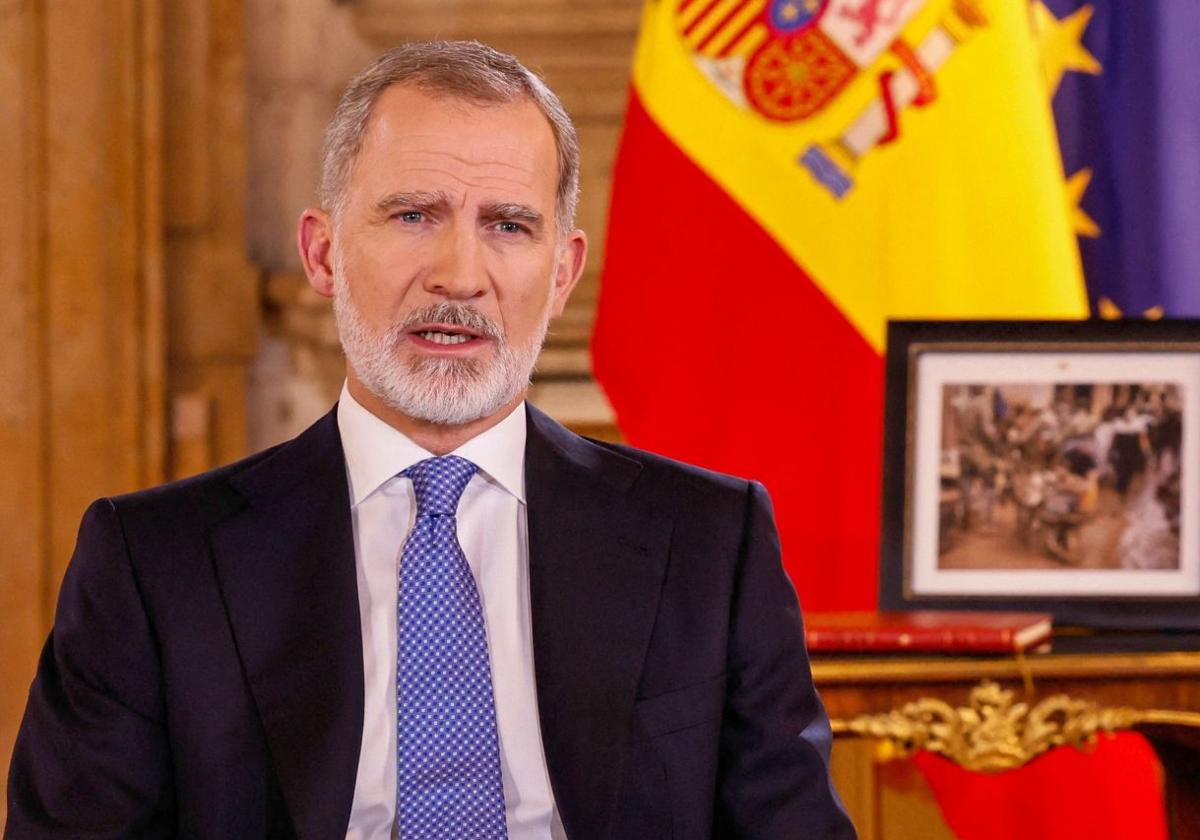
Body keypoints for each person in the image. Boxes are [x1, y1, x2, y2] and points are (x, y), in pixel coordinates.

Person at [6, 41, 855, 840]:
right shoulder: (154, 563)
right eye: (414, 215)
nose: (459, 274)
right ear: (324, 253)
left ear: (562, 273)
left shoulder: (710, 541)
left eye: (510, 226)